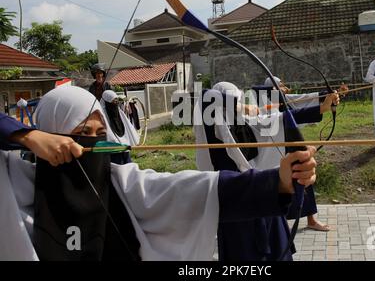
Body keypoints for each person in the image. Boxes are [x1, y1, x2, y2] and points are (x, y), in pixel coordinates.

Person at [0, 85, 317, 261]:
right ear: (51, 134)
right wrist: (24, 135)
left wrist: (278, 179)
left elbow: (190, 189)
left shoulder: (120, 184)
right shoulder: (12, 186)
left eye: (100, 133)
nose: (93, 143)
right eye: (83, 132)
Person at [193, 81, 334, 261]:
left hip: (262, 195)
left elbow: (280, 119)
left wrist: (322, 108)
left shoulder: (242, 123)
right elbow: (205, 96)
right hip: (233, 204)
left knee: (278, 250)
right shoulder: (210, 128)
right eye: (232, 101)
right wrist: (242, 106)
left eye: (237, 99)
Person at [261, 76, 339, 232]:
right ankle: (276, 225)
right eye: (278, 85)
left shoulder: (282, 97)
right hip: (272, 149)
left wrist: (324, 96)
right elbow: (282, 110)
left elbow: (300, 100)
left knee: (304, 178)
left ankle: (311, 219)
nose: (283, 87)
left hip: (290, 143)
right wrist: (322, 103)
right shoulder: (263, 101)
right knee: (277, 185)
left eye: (282, 84)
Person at [1, 112, 83, 166]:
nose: (94, 139)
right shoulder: (13, 170)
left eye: (96, 133)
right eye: (83, 132)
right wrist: (29, 136)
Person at [101, 90, 140, 164]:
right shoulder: (102, 115)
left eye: (116, 101)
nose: (115, 104)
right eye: (112, 102)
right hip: (112, 151)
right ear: (106, 102)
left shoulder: (119, 112)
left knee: (128, 166)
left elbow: (127, 126)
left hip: (124, 147)